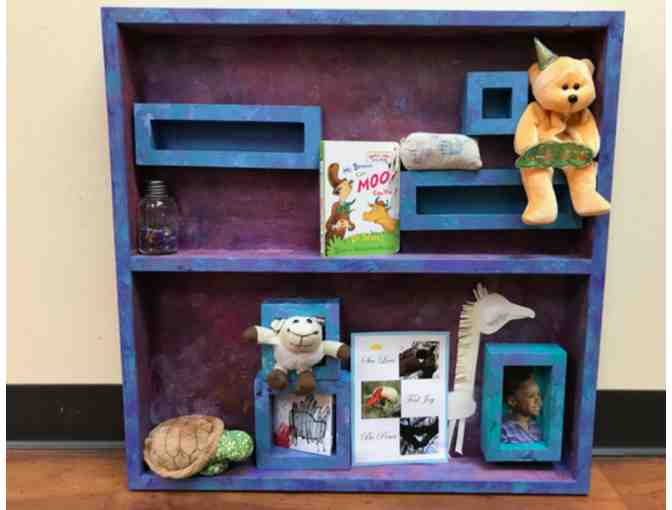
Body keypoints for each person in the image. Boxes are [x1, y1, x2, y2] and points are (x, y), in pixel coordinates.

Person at [501, 367, 543, 443]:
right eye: (531, 396)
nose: (539, 401)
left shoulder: (534, 426)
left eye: (539, 395)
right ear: (512, 401)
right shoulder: (504, 430)